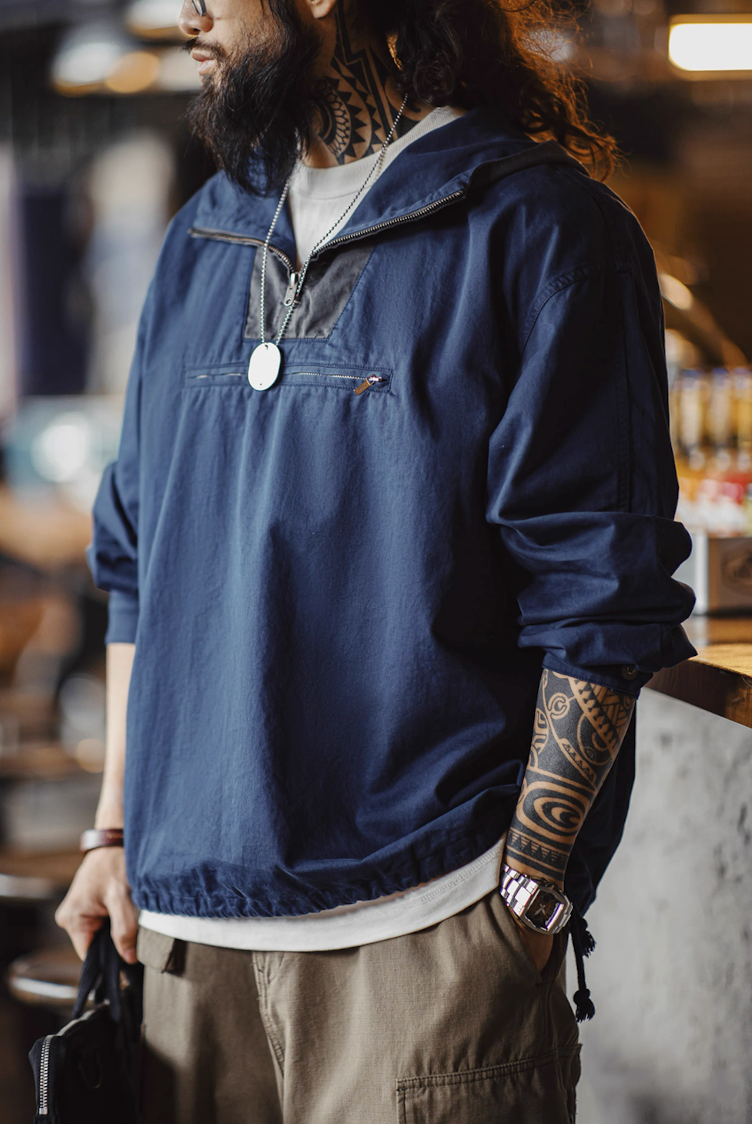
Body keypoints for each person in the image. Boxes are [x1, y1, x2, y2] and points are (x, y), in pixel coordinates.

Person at [56, 0, 696, 1120]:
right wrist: (113, 831)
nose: (186, 12)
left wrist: (523, 904)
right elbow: (136, 563)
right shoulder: (205, 232)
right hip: (183, 944)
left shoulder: (541, 229)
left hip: (425, 942)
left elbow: (601, 598)